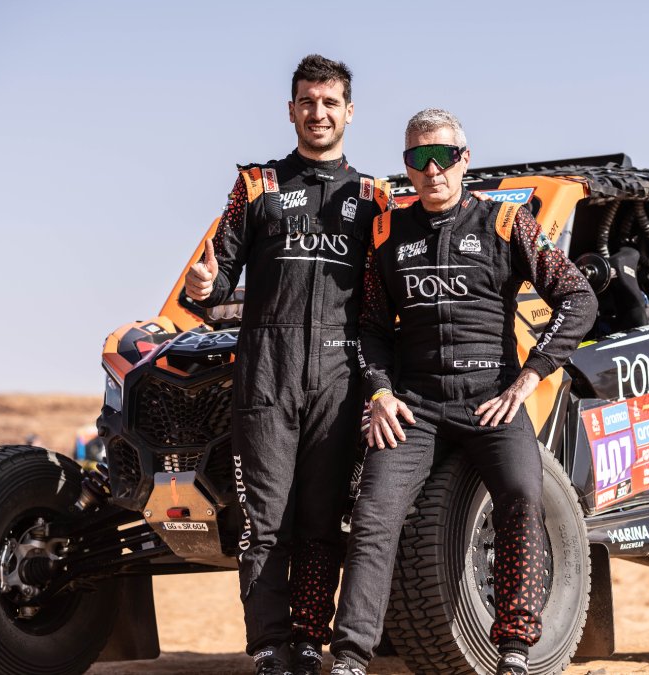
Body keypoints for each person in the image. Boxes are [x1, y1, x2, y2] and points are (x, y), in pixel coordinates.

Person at [329, 109, 597, 675]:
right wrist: (379, 392)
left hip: (492, 397)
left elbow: (578, 298)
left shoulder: (505, 223)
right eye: (417, 160)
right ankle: (351, 658)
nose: (431, 170)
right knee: (374, 515)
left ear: (464, 159)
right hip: (415, 404)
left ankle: (516, 648)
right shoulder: (386, 231)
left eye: (442, 156)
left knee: (523, 495)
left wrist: (531, 375)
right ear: (406, 167)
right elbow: (371, 330)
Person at [183, 54, 391, 675]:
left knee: (323, 522)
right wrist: (203, 284)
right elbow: (217, 277)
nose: (318, 112)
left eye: (330, 103)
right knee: (264, 522)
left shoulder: (374, 195)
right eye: (307, 101)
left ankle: (308, 638)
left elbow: (384, 297)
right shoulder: (257, 185)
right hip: (265, 375)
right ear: (291, 108)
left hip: (339, 378)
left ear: (349, 112)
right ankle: (271, 647)